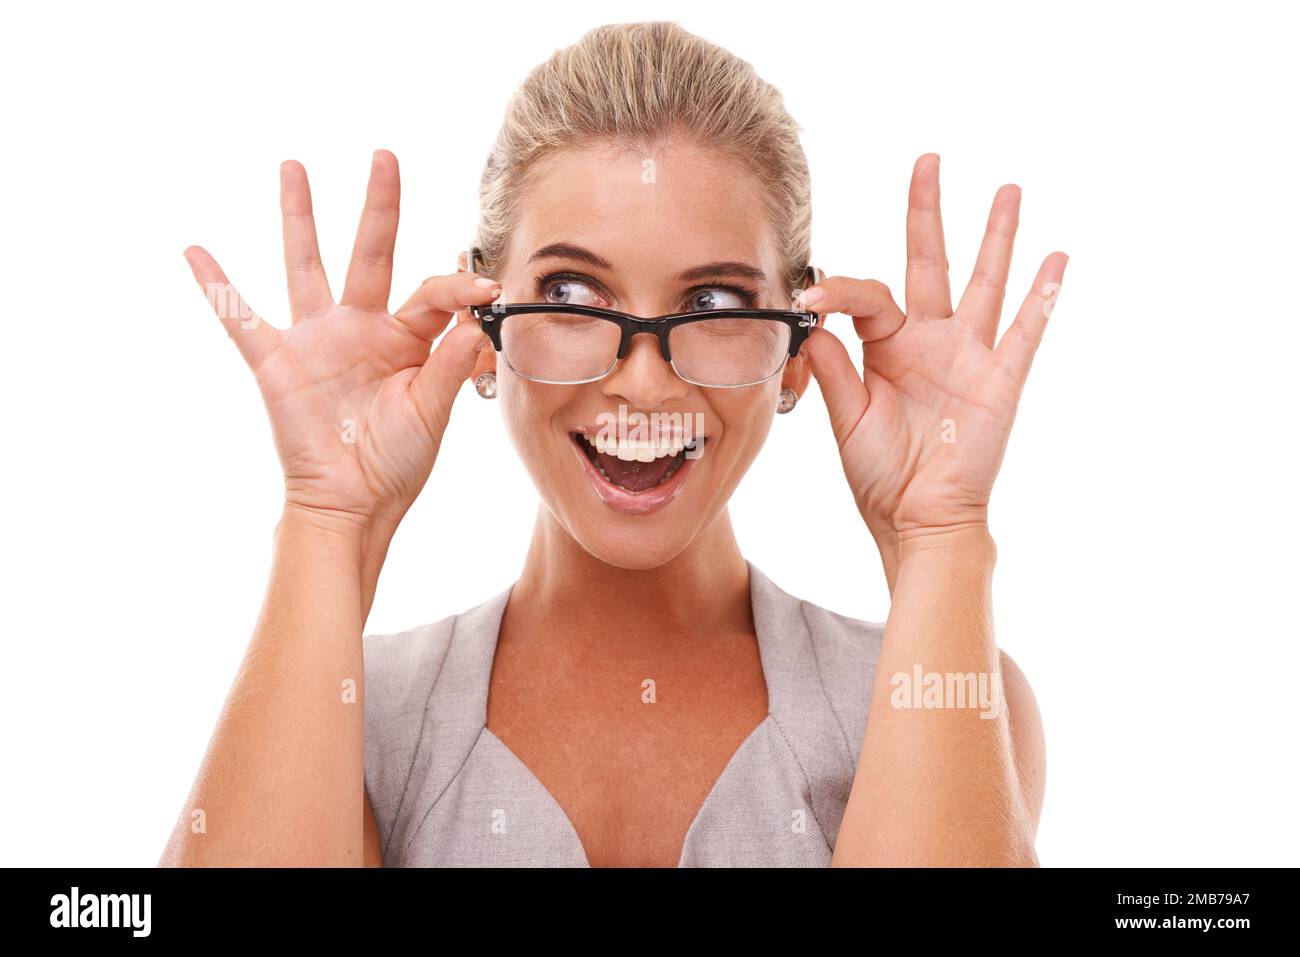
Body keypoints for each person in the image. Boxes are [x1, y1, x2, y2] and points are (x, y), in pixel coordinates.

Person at [163, 20, 1062, 868]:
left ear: (792, 352)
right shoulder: (353, 711)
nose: (642, 380)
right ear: (483, 329)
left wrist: (939, 530)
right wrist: (330, 516)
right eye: (574, 295)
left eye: (712, 303)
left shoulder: (938, 690)